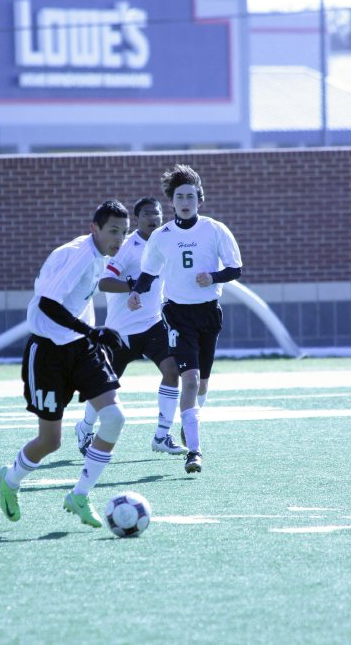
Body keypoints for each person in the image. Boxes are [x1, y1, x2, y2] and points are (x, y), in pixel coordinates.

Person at [0, 200, 130, 528]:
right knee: (50, 442)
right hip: (47, 354)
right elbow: (47, 304)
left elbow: (78, 301)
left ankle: (80, 495)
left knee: (114, 418)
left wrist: (93, 336)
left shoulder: (102, 256)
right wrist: (93, 331)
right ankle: (10, 480)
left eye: (123, 233)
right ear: (94, 228)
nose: (119, 239)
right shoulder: (82, 255)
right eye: (113, 231)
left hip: (81, 349)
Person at [128, 165, 242, 474]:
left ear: (199, 199)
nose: (185, 201)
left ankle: (189, 424)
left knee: (202, 383)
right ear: (172, 202)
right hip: (178, 314)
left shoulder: (215, 229)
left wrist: (213, 276)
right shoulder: (162, 236)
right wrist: (136, 292)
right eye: (180, 196)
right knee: (188, 379)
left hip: (208, 313)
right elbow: (149, 273)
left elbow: (235, 270)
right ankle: (195, 450)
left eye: (190, 196)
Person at [75, 197, 186, 457]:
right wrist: (134, 286)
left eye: (157, 213)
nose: (153, 218)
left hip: (153, 325)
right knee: (105, 386)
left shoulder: (166, 243)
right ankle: (85, 427)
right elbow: (104, 282)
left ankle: (162, 435)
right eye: (147, 213)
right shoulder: (127, 247)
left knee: (172, 371)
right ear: (137, 219)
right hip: (120, 331)